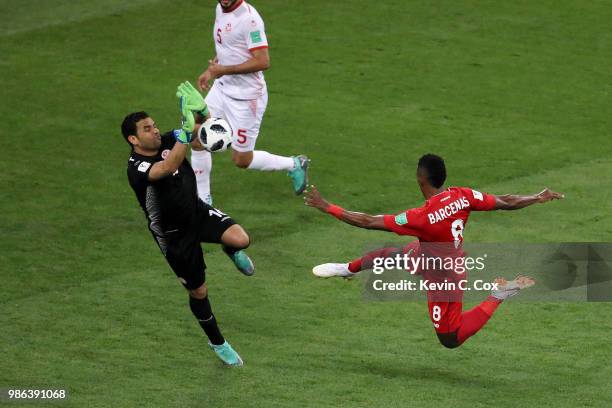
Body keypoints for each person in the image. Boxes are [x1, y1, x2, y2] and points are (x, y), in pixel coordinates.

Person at [304, 153, 564, 348]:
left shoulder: (421, 218)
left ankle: (500, 293)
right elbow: (505, 202)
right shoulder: (461, 195)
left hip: (445, 277)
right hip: (429, 255)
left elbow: (368, 221)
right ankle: (346, 269)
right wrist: (536, 197)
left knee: (449, 339)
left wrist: (328, 206)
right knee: (391, 255)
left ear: (420, 178)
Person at [122, 85, 253, 365]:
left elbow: (204, 130)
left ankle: (230, 249)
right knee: (199, 291)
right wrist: (183, 129)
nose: (156, 131)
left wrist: (203, 112)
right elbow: (167, 167)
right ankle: (218, 343)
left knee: (241, 239)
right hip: (173, 236)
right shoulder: (136, 168)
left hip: (196, 212)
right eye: (147, 129)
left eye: (155, 125)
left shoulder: (171, 139)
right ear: (133, 139)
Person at [192, 0, 309, 205]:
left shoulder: (249, 19)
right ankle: (204, 200)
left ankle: (294, 164)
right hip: (222, 89)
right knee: (197, 136)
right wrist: (212, 70)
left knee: (241, 160)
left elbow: (263, 61)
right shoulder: (221, 8)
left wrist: (222, 71)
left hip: (246, 99)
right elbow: (229, 48)